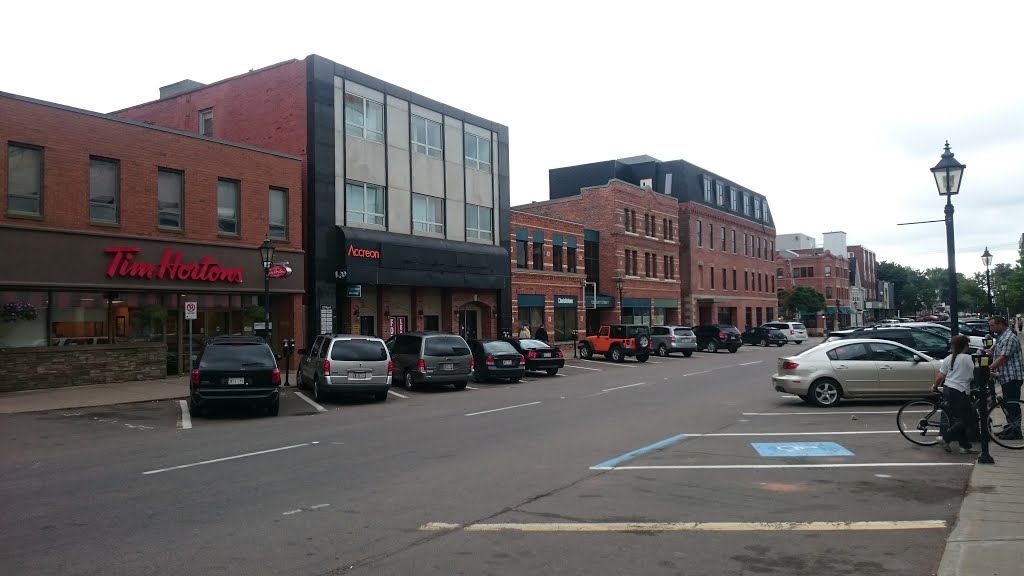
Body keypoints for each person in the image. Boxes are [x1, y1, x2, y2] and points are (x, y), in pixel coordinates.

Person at [931, 335, 975, 454]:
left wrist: (935, 387)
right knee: (968, 418)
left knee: (959, 418)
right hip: (960, 391)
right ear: (965, 346)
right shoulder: (966, 358)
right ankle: (945, 438)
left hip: (948, 389)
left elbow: (940, 376)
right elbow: (975, 372)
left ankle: (964, 446)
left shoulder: (948, 358)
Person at [988, 315, 1024, 440]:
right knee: (1007, 404)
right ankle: (1011, 428)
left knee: (1012, 405)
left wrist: (988, 369)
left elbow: (1003, 357)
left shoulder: (1009, 338)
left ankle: (1016, 431)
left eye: (992, 325)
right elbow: (992, 351)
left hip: (1013, 377)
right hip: (1005, 376)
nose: (991, 328)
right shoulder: (1000, 337)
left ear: (1000, 324)